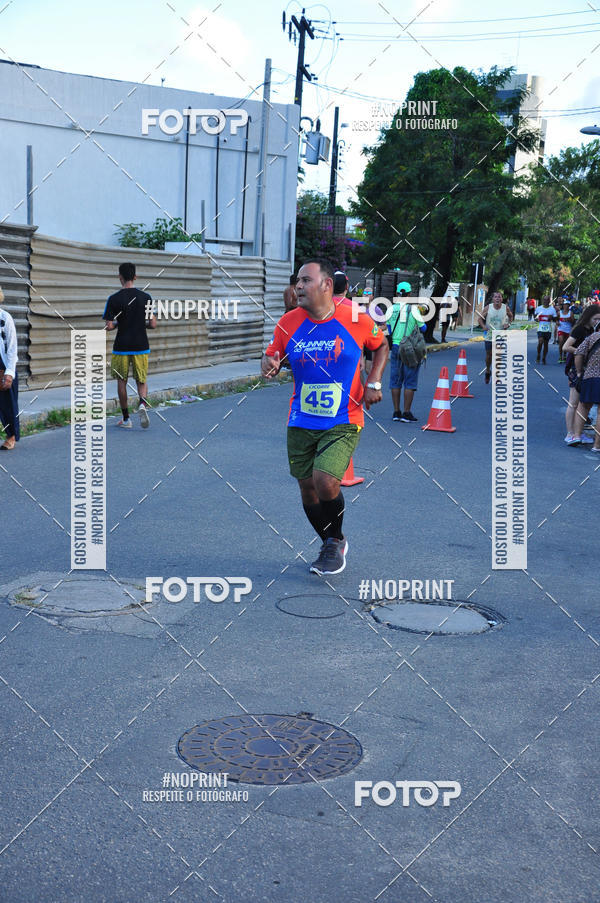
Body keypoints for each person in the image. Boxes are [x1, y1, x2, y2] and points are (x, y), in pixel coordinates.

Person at [261, 259, 388, 576]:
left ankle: (333, 541)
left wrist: (374, 381)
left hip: (345, 418)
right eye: (297, 281)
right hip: (301, 419)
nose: (298, 286)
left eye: (306, 280)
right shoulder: (288, 322)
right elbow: (272, 354)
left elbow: (381, 346)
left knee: (325, 480)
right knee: (307, 487)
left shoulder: (356, 318)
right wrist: (269, 363)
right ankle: (332, 541)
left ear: (327, 285)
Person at [103, 263, 157, 429]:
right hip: (141, 345)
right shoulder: (146, 297)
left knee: (122, 381)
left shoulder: (113, 299)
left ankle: (126, 419)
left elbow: (109, 326)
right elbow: (153, 324)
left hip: (121, 346)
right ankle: (142, 404)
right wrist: (140, 324)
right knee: (141, 379)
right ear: (135, 277)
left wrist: (119, 323)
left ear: (120, 277)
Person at [563, 303, 600, 444]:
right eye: (595, 318)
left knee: (582, 404)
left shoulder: (592, 330)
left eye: (599, 319)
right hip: (576, 369)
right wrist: (582, 352)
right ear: (588, 317)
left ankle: (578, 432)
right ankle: (570, 433)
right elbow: (566, 346)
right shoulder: (580, 329)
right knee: (573, 403)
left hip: (586, 369)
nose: (597, 321)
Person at [388, 293, 427, 421]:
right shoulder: (413, 310)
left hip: (395, 347)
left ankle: (396, 412)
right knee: (409, 381)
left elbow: (389, 329)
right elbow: (424, 328)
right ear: (409, 294)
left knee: (396, 380)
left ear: (397, 293)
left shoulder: (391, 309)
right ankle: (406, 413)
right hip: (409, 348)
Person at [477, 291, 513, 384]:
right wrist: (483, 326)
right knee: (489, 355)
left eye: (499, 297)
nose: (497, 298)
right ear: (493, 299)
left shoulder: (505, 308)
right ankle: (488, 370)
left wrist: (508, 324)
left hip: (500, 334)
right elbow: (479, 318)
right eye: (496, 297)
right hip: (489, 335)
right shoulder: (488, 307)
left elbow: (511, 316)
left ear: (502, 298)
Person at [0, 291, 19, 450]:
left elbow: (12, 348)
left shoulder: (5, 318)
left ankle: (11, 436)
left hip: (3, 365)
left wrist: (9, 372)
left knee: (7, 405)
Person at [534, 295, 557, 365]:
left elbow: (555, 319)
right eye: (544, 300)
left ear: (549, 301)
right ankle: (538, 354)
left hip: (548, 328)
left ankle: (544, 357)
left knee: (546, 344)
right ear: (542, 300)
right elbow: (535, 317)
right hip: (540, 328)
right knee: (540, 342)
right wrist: (536, 319)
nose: (545, 301)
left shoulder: (552, 309)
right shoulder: (539, 308)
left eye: (547, 300)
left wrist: (552, 317)